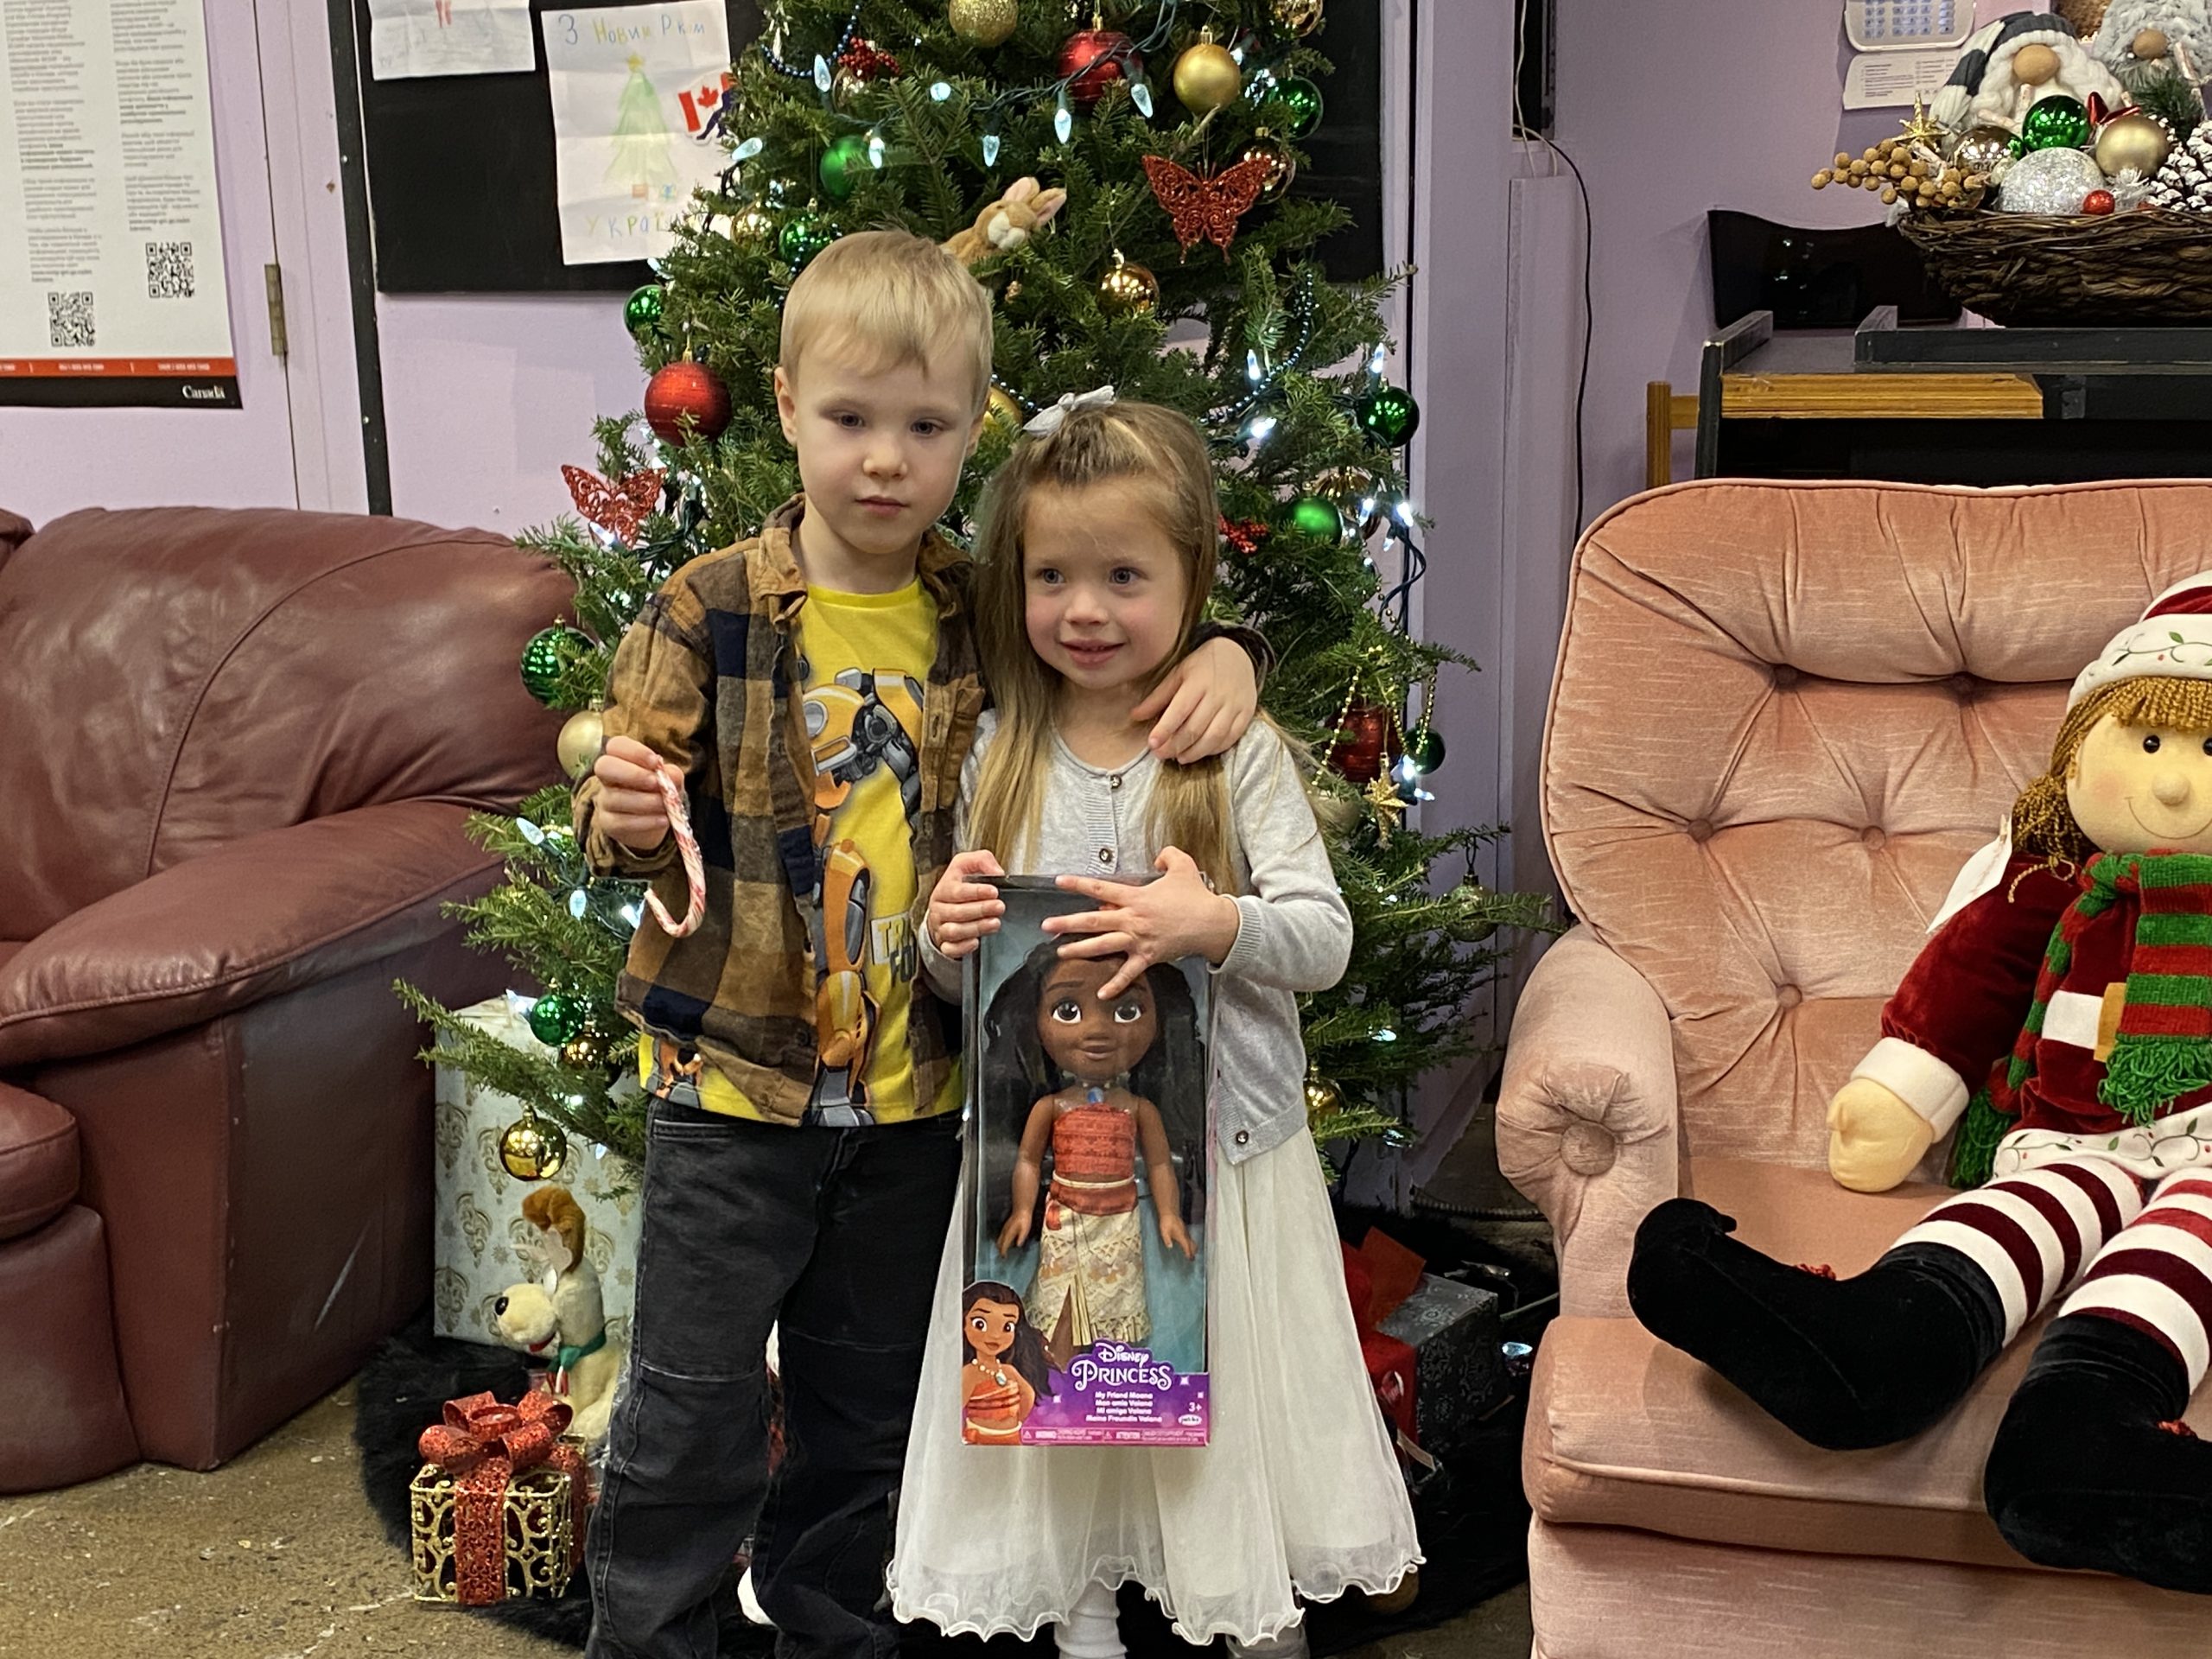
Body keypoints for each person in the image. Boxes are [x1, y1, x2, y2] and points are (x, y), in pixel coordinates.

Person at [571, 233, 1266, 1659]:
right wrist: (632, 808)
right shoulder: (706, 606)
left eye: (927, 428)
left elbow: (1111, 632)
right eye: (849, 420)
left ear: (974, 432)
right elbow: (624, 822)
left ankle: (841, 1632)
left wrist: (1229, 651)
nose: (885, 460)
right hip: (730, 1094)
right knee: (689, 1411)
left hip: (921, 1099)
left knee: (873, 1416)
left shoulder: (981, 611)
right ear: (781, 406)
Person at [889, 395, 1420, 1659]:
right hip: (1054, 1168)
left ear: (1192, 578)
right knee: (1073, 1391)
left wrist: (1211, 922)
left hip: (1224, 1161)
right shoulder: (1002, 756)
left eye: (1125, 575)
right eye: (1054, 575)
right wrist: (943, 940)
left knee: (1226, 1416)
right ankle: (1082, 1616)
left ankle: (1251, 1614)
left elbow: (1325, 941)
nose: (1086, 608)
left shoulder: (1229, 754)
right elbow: (982, 995)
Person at [1629, 574, 2212, 1594]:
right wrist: (1903, 1092)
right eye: (2149, 744)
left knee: (2179, 1248)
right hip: (2068, 1137)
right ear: (2082, 750)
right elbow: (1968, 984)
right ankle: (1868, 1347)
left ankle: (2085, 1444)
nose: (2171, 790)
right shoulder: (2050, 882)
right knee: (2019, 1208)